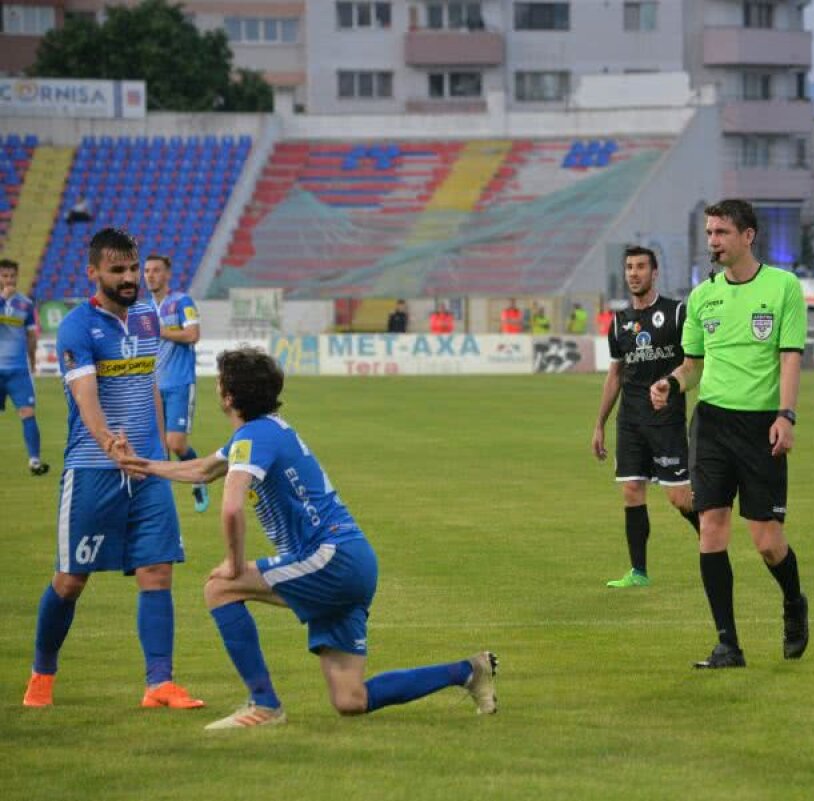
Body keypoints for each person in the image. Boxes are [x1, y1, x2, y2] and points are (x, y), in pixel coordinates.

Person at [119, 347, 498, 728]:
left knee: (220, 587)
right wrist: (142, 465)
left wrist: (235, 565)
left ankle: (264, 705)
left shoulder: (255, 436)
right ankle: (468, 671)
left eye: (219, 382)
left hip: (331, 557)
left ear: (229, 396)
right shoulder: (264, 431)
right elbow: (204, 469)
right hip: (353, 560)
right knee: (351, 699)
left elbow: (232, 506)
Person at [22, 228, 204, 709]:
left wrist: (161, 455)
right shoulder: (78, 328)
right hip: (92, 470)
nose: (128, 278)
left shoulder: (147, 318)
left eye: (132, 269)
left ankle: (159, 683)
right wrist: (109, 444)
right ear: (94, 272)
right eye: (117, 270)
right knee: (71, 580)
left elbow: (148, 388)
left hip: (146, 469)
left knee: (158, 571)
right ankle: (42, 673)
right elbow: (85, 397)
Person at [650, 199, 809, 669]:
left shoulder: (783, 288)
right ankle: (728, 645)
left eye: (721, 233)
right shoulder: (702, 298)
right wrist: (671, 383)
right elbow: (693, 365)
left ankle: (794, 602)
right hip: (713, 424)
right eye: (709, 233)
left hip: (761, 426)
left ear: (748, 236)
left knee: (767, 542)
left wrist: (786, 415)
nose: (713, 242)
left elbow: (790, 357)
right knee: (711, 530)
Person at [593, 246, 700, 588]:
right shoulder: (619, 322)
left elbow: (693, 363)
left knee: (679, 499)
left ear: (655, 273)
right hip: (630, 421)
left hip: (666, 421)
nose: (634, 273)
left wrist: (673, 386)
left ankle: (712, 539)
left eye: (641, 267)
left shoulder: (677, 313)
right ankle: (638, 572)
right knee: (632, 491)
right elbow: (615, 375)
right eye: (629, 267)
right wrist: (599, 423)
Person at [143, 254, 208, 513]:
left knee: (176, 444)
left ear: (168, 274)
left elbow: (193, 334)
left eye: (156, 270)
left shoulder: (182, 302)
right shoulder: (144, 308)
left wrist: (161, 331)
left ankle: (199, 478)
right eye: (146, 271)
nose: (150, 275)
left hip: (180, 383)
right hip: (154, 386)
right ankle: (162, 506)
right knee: (159, 449)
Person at [0, 258, 50, 476]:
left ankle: (35, 461)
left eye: (12, 276)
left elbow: (31, 336)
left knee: (28, 412)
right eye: (4, 276)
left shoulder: (25, 304)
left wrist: (32, 360)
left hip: (18, 370)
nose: (9, 280)